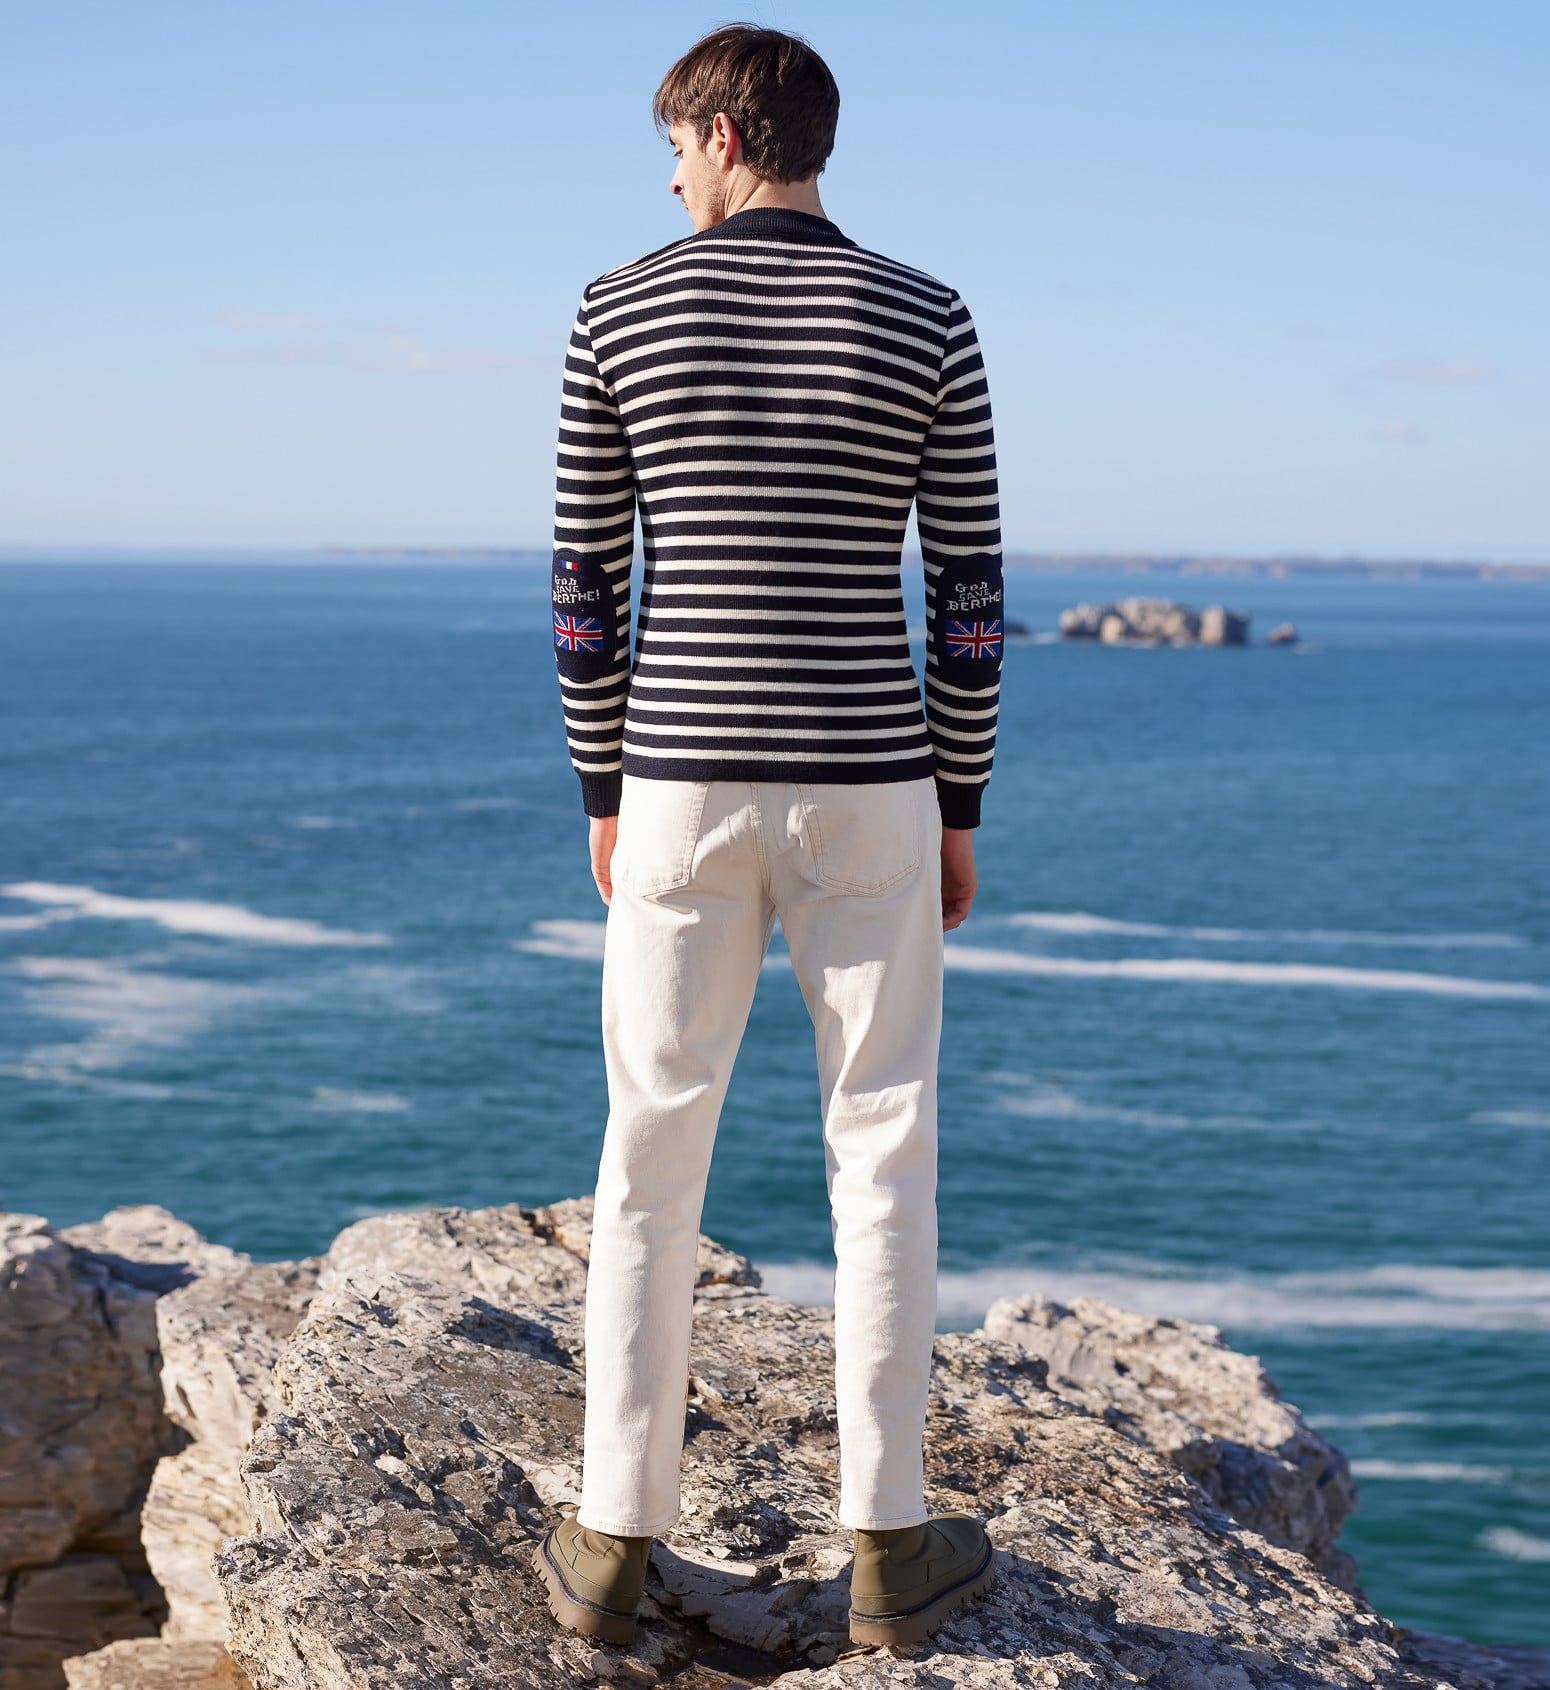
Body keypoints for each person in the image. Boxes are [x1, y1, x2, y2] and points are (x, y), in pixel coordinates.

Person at [533, 22, 1004, 1652]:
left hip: (676, 783)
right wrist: (957, 802)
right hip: (871, 781)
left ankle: (610, 1539)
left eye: (675, 146)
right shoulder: (927, 314)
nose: (670, 177)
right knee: (883, 1148)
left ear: (728, 134)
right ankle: (887, 1542)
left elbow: (584, 585)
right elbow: (969, 595)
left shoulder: (614, 306)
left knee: (649, 1152)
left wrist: (603, 789)